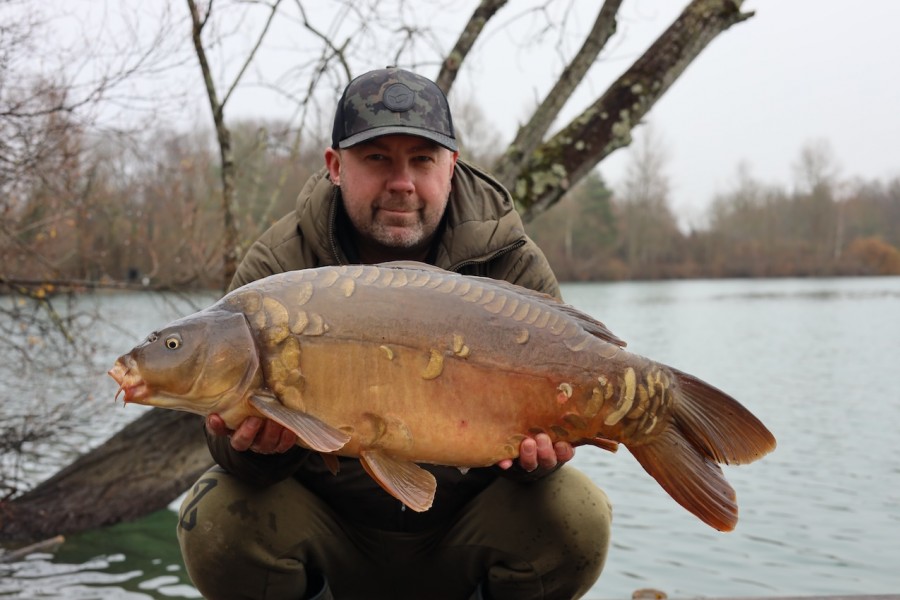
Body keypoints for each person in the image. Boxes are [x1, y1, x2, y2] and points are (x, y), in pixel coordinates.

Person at [177, 67, 612, 600]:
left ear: (451, 166)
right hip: (329, 531)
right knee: (214, 516)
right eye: (377, 158)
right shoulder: (279, 267)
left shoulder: (510, 261)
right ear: (336, 166)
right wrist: (262, 450)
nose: (401, 182)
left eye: (422, 160)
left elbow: (544, 445)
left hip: (464, 531)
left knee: (576, 512)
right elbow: (224, 443)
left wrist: (534, 463)